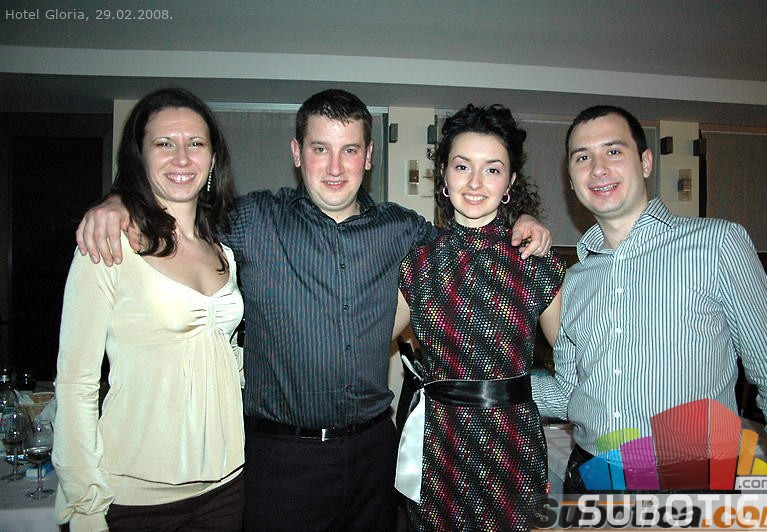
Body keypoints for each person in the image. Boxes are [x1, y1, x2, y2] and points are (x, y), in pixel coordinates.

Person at [73, 89, 553, 530]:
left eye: (349, 150)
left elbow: (474, 236)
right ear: (297, 153)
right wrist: (119, 202)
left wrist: (524, 219)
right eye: (320, 148)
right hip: (281, 463)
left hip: (373, 457)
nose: (335, 167)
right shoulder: (252, 220)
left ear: (369, 156)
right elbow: (181, 210)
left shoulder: (404, 232)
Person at [532, 105, 767, 493]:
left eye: (613, 151)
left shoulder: (717, 244)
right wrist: (472, 384)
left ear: (645, 162)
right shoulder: (575, 280)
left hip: (690, 480)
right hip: (592, 476)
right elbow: (569, 393)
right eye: (583, 157)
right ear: (571, 180)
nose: (598, 168)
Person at [53, 87, 245, 531]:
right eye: (164, 143)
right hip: (133, 496)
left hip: (226, 486)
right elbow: (77, 383)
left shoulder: (223, 252)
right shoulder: (108, 245)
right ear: (140, 157)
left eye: (195, 143)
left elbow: (225, 356)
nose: (182, 158)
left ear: (213, 158)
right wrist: (85, 503)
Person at [392, 104, 565, 530]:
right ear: (443, 176)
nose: (474, 182)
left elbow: (577, 358)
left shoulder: (536, 262)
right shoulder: (418, 263)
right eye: (462, 166)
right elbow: (368, 339)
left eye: (492, 169)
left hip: (513, 444)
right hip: (441, 444)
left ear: (510, 183)